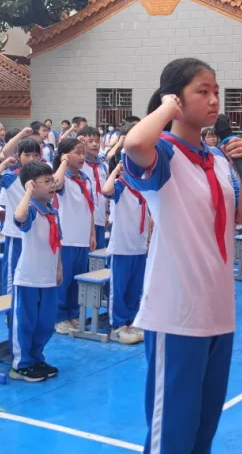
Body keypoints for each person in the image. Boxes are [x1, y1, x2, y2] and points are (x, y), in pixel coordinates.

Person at [122, 57, 242, 453]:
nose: (215, 100)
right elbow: (134, 143)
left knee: (203, 428)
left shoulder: (217, 160)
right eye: (203, 91)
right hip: (177, 313)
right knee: (173, 433)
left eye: (216, 91)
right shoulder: (163, 154)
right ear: (177, 99)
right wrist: (166, 108)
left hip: (218, 311)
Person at [9, 161, 64, 382]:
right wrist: (28, 193)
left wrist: (59, 267)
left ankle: (36, 356)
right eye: (46, 182)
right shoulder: (31, 209)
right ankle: (21, 364)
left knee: (45, 322)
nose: (52, 185)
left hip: (48, 275)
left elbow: (58, 241)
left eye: (53, 180)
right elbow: (20, 217)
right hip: (29, 278)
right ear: (32, 184)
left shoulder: (53, 211)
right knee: (26, 322)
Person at [102, 129, 149, 345]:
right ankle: (117, 324)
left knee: (134, 286)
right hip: (121, 246)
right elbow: (106, 190)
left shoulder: (145, 187)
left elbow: (150, 216)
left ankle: (131, 319)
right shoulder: (122, 185)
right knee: (118, 287)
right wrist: (116, 171)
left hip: (139, 246)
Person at [52, 137, 96, 333]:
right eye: (77, 153)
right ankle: (60, 316)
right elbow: (56, 183)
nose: (82, 156)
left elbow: (90, 208)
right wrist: (62, 162)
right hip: (66, 237)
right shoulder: (63, 179)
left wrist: (92, 233)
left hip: (82, 236)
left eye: (82, 153)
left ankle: (73, 314)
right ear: (65, 155)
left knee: (77, 280)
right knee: (65, 280)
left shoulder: (85, 179)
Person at [0, 136, 42, 292]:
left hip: (35, 232)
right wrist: (5, 163)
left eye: (35, 155)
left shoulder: (44, 177)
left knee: (32, 271)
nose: (31, 159)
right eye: (27, 155)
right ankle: (9, 308)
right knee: (12, 272)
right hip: (16, 234)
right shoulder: (12, 177)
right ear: (18, 157)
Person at [78, 126, 110, 249]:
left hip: (100, 217)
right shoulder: (78, 164)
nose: (95, 144)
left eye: (97, 141)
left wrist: (107, 212)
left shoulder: (103, 165)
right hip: (84, 220)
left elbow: (105, 192)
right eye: (90, 141)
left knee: (98, 259)